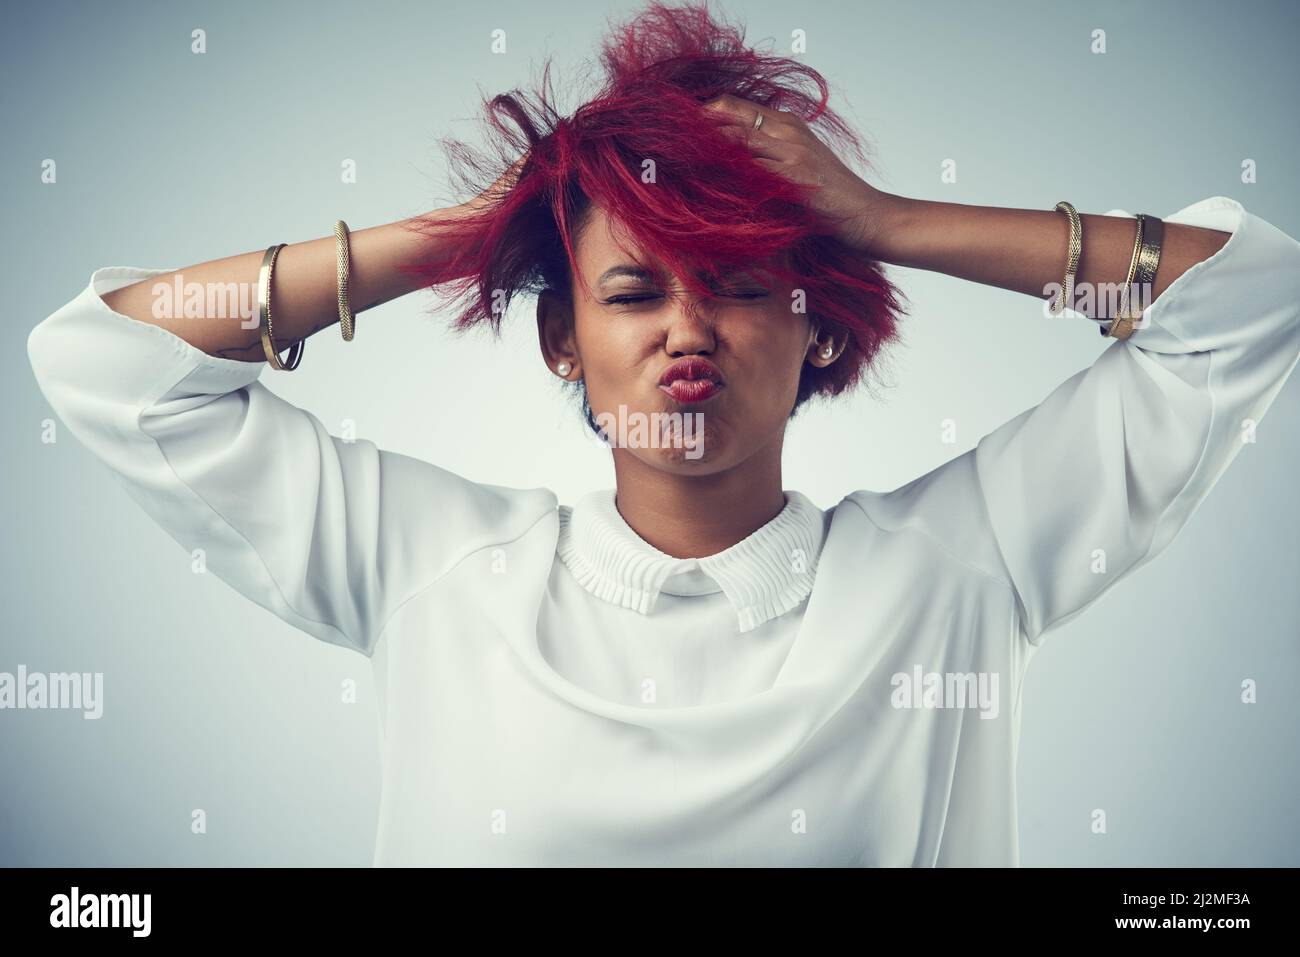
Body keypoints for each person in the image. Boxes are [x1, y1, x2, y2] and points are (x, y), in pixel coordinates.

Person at [26, 2, 1300, 865]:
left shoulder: (964, 566)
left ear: (821, 329)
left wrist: (881, 218)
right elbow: (102, 362)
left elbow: (1251, 304)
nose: (688, 330)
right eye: (632, 292)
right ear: (562, 344)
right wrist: (482, 229)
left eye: (743, 287)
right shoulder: (426, 567)